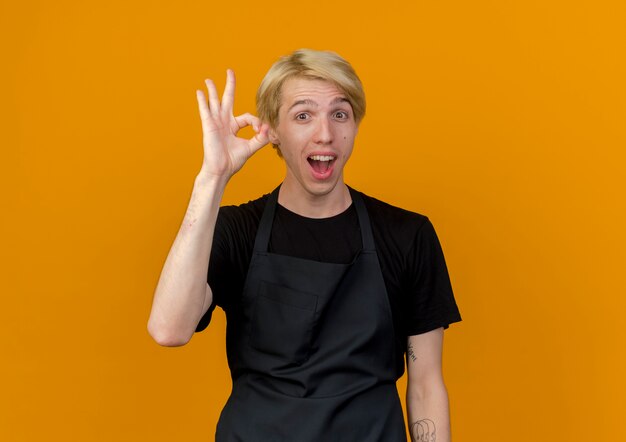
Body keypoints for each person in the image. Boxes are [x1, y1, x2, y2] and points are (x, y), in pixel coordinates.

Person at [147, 49, 462, 442]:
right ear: (272, 131)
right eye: (303, 115)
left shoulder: (407, 235)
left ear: (355, 124)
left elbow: (426, 385)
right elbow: (168, 328)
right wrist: (212, 178)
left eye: (340, 114)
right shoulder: (236, 231)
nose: (325, 133)